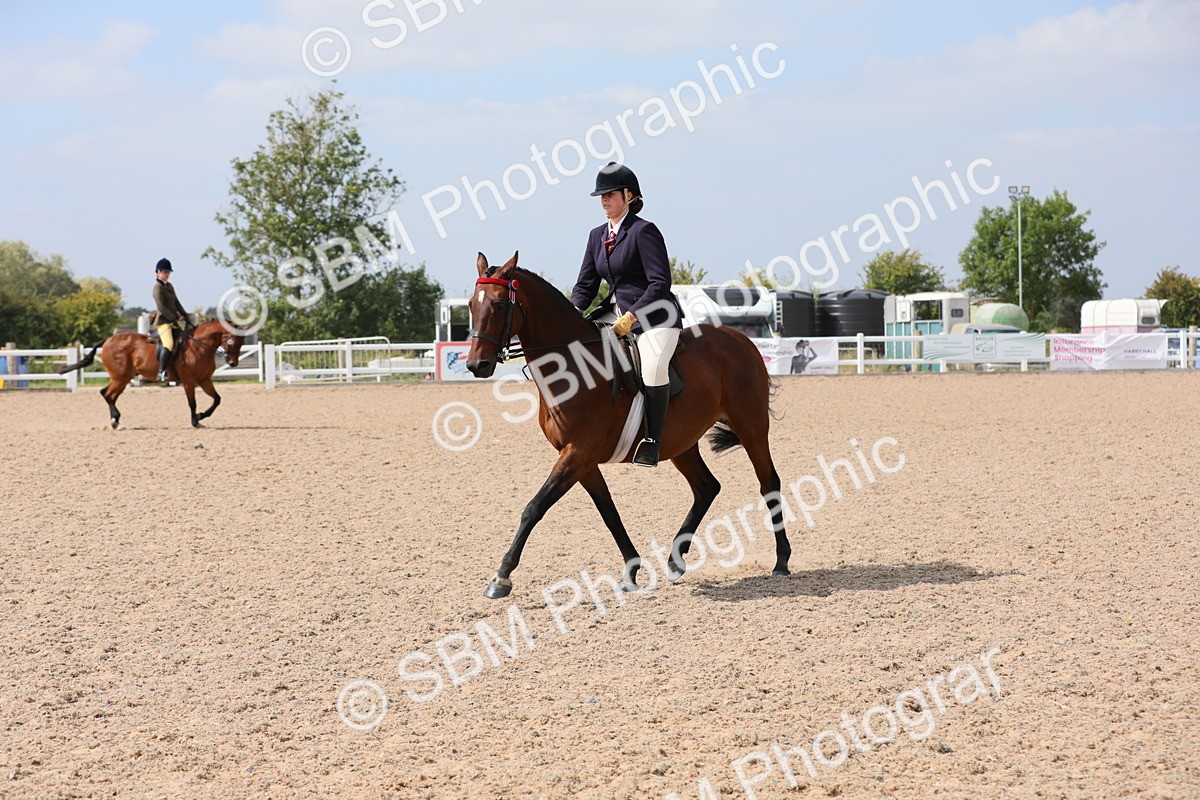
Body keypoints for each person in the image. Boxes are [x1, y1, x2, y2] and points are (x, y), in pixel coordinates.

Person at [571, 162, 684, 467]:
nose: (604, 200)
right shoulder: (596, 236)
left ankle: (652, 441)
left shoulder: (643, 231)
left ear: (629, 195)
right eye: (601, 195)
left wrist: (632, 316)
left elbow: (660, 282)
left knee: (653, 369)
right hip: (614, 312)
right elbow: (585, 284)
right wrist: (572, 312)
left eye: (610, 194)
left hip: (654, 317)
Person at [152, 258, 190, 382]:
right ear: (158, 272)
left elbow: (176, 302)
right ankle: (161, 372)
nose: (166, 274)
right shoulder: (157, 287)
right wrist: (174, 319)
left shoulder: (169, 286)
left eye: (168, 272)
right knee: (168, 344)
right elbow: (161, 307)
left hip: (173, 321)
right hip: (163, 322)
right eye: (164, 272)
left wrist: (185, 315)